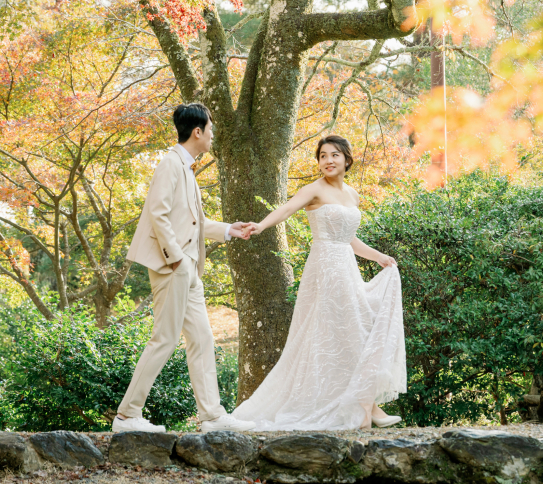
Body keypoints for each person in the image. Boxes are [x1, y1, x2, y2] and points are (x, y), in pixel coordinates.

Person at [231, 134, 406, 430]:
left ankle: (366, 404)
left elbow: (348, 238)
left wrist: (378, 257)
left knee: (351, 330)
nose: (328, 160)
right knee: (345, 331)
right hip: (324, 268)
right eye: (323, 156)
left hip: (346, 267)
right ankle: (367, 407)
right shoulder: (313, 190)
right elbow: (286, 209)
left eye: (334, 155)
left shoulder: (352, 195)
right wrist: (260, 226)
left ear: (346, 159)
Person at [113, 103, 256, 434]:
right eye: (211, 129)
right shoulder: (170, 164)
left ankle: (212, 415)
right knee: (164, 339)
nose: (213, 135)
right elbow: (157, 213)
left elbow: (191, 223)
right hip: (174, 266)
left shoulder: (186, 167)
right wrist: (175, 258)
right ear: (198, 132)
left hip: (189, 268)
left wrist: (229, 229)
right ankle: (126, 416)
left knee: (202, 338)